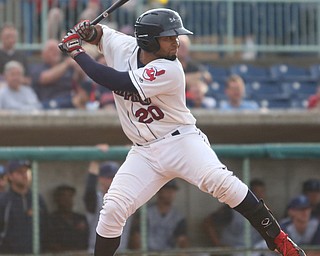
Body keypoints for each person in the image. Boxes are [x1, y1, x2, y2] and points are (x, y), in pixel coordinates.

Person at [58, 8, 306, 256]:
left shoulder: (171, 69)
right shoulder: (123, 47)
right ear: (148, 40)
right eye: (169, 37)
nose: (176, 42)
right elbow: (102, 35)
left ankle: (279, 240)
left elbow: (118, 82)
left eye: (176, 36)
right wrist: (89, 32)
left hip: (181, 141)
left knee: (222, 183)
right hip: (143, 152)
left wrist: (77, 51)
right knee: (112, 209)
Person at [203, 179, 267, 254]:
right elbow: (207, 223)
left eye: (262, 192)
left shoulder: (265, 210)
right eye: (256, 192)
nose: (260, 195)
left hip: (254, 249)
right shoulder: (233, 209)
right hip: (235, 249)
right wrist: (219, 245)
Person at [83, 159, 134, 253]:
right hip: (96, 252)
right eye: (109, 177)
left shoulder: (126, 198)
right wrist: (96, 155)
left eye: (115, 177)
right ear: (101, 179)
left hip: (121, 251)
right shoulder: (95, 199)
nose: (113, 180)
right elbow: (89, 190)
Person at [0, 160, 48, 254]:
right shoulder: (4, 201)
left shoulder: (37, 199)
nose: (25, 175)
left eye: (27, 171)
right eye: (19, 172)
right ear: (10, 176)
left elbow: (46, 228)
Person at [130, 180, 189, 251]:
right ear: (159, 191)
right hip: (148, 253)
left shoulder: (178, 217)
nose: (170, 193)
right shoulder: (146, 213)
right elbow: (136, 238)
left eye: (173, 190)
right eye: (167, 189)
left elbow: (182, 241)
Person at [31, 39, 88, 109]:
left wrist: (78, 69)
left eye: (57, 49)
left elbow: (79, 79)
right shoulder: (37, 68)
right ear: (43, 54)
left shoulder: (67, 67)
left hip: (70, 98)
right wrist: (66, 63)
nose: (55, 52)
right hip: (49, 101)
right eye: (51, 49)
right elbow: (45, 78)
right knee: (76, 102)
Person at [48, 184, 89, 252]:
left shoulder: (80, 218)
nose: (68, 200)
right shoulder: (51, 219)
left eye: (70, 196)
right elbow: (51, 244)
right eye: (64, 196)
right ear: (57, 199)